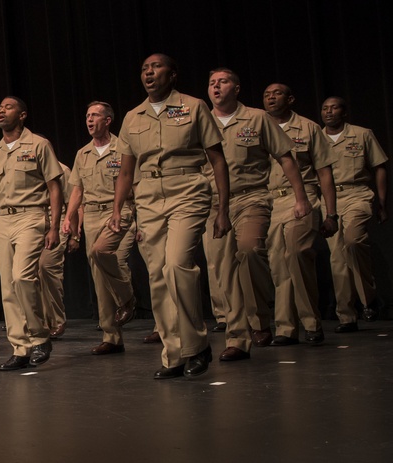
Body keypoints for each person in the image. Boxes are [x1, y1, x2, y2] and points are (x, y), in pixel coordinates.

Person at [109, 54, 231, 379]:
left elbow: (217, 160)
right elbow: (125, 171)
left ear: (173, 74)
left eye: (156, 67)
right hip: (148, 197)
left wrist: (223, 209)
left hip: (188, 188)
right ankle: (174, 354)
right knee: (157, 276)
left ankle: (197, 345)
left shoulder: (194, 106)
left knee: (177, 264)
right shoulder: (133, 116)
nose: (149, 73)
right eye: (145, 69)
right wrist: (118, 209)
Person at [207, 68, 309, 362]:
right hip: (213, 203)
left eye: (223, 82)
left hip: (250, 197)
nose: (216, 87)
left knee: (250, 251)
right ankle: (238, 338)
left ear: (236, 88)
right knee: (223, 268)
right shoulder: (202, 121)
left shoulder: (257, 118)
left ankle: (259, 317)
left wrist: (301, 198)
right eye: (212, 83)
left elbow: (285, 157)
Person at [0, 97, 63, 371]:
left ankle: (40, 337)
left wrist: (54, 225)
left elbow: (54, 187)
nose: (1, 111)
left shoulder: (39, 144)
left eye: (8, 107)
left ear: (23, 115)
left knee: (23, 277)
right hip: (4, 220)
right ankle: (20, 348)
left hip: (32, 215)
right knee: (7, 287)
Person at [262, 83, 339, 346]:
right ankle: (285, 328)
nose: (271, 97)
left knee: (297, 256)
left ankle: (311, 323)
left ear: (290, 98)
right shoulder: (256, 127)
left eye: (278, 93)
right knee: (278, 265)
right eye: (267, 94)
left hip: (302, 197)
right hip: (270, 200)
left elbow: (324, 172)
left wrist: (332, 214)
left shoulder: (308, 128)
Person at [64, 101, 138, 355]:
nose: (89, 119)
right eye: (87, 115)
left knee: (103, 253)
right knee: (98, 275)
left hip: (119, 210)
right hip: (93, 213)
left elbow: (134, 184)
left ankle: (127, 297)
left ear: (108, 120)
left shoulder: (123, 148)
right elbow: (77, 189)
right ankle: (112, 336)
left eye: (95, 115)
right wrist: (69, 216)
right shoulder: (82, 153)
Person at [321, 96, 389, 331]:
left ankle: (368, 298)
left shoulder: (362, 134)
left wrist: (381, 201)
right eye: (325, 108)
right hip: (328, 199)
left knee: (353, 240)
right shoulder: (315, 137)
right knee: (337, 257)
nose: (329, 112)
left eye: (335, 107)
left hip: (357, 193)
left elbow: (379, 166)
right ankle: (346, 316)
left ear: (344, 112)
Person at [39, 157, 73, 339]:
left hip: (57, 224)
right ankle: (40, 321)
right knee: (31, 273)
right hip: (35, 224)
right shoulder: (31, 168)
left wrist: (74, 233)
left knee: (47, 267)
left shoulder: (62, 169)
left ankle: (57, 320)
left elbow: (72, 201)